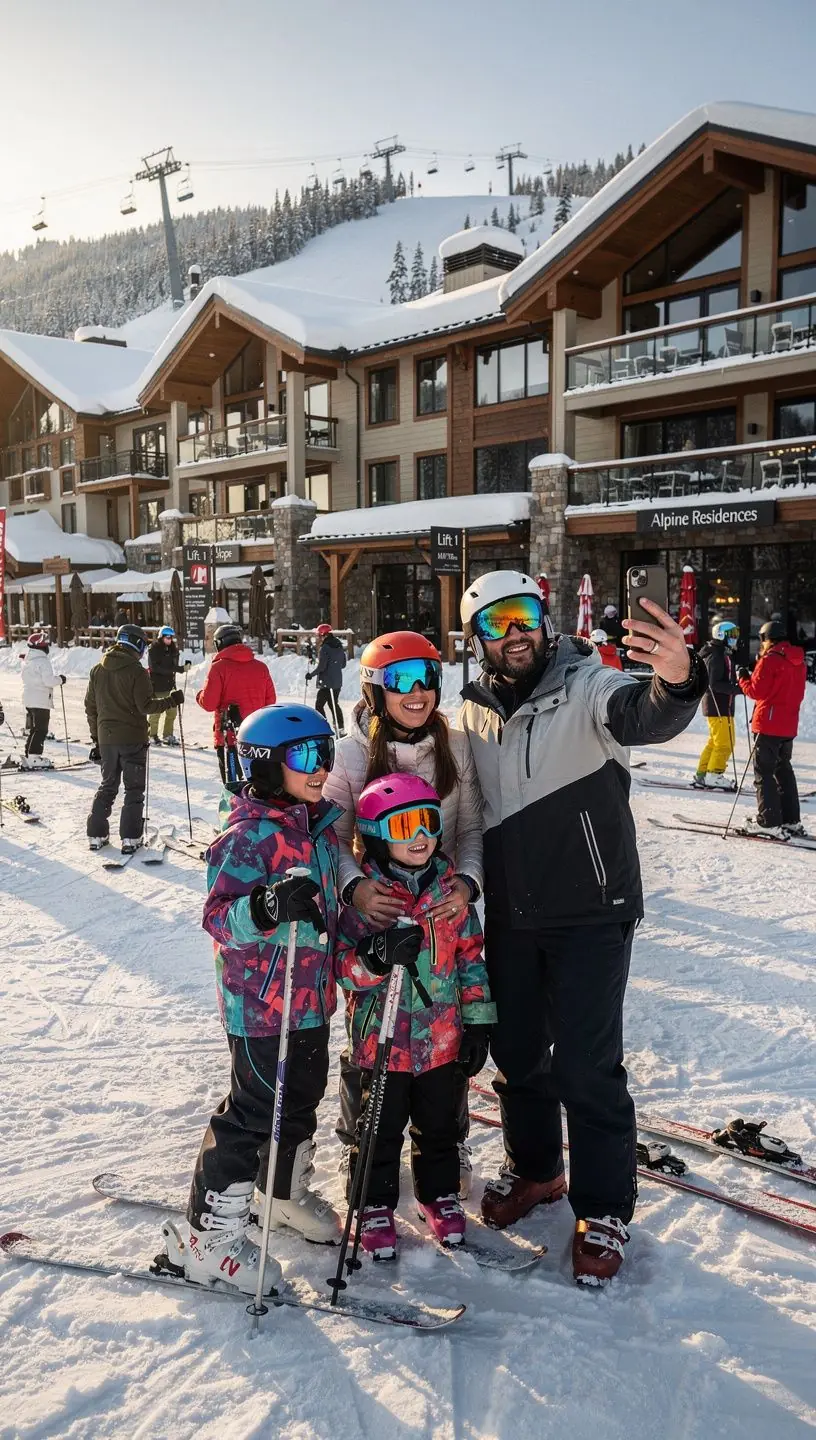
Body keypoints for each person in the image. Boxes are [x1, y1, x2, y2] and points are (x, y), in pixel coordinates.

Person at [457, 570, 707, 1284]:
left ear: (546, 620)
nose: (516, 632)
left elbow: (642, 714)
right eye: (499, 621)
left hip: (592, 912)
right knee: (518, 1054)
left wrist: (678, 680)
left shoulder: (587, 683)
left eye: (527, 615)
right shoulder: (472, 710)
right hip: (511, 914)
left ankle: (605, 1208)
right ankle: (537, 1171)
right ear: (478, 637)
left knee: (587, 1067)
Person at [157, 704, 349, 1295]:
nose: (322, 768)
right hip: (263, 1006)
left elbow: (331, 915)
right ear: (265, 765)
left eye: (326, 753)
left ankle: (279, 1193)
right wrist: (264, 907)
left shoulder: (315, 828)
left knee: (302, 1095)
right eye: (306, 757)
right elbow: (217, 918)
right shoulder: (246, 837)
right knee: (253, 1111)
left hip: (311, 997)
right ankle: (203, 1238)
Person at [322, 630, 484, 1196]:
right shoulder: (349, 753)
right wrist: (357, 889)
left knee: (442, 1035)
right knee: (372, 1038)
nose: (417, 694)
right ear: (375, 690)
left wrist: (465, 881)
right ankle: (360, 1146)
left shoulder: (456, 748)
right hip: (380, 910)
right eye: (401, 682)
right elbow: (334, 838)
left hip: (438, 905)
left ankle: (446, 1142)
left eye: (427, 679)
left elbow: (467, 828)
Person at [336, 774, 495, 1258]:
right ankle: (373, 1203)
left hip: (441, 1040)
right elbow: (344, 970)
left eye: (427, 822)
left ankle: (438, 1193)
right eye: (404, 825)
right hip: (380, 1043)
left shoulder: (450, 895)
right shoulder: (369, 902)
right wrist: (376, 957)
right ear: (377, 833)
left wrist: (479, 1022)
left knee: (440, 1124)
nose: (420, 835)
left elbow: (471, 958)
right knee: (378, 1126)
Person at [84, 625, 183, 855]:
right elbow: (146, 706)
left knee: (108, 785)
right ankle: (130, 836)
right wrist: (172, 700)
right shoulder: (137, 672)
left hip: (107, 740)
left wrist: (96, 739)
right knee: (133, 789)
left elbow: (91, 709)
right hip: (133, 739)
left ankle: (96, 833)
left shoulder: (98, 670)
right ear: (136, 644)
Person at [738, 619, 807, 838]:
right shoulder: (798, 661)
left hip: (768, 725)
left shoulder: (770, 660)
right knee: (783, 771)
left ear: (767, 639)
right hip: (788, 725)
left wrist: (743, 678)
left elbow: (756, 692)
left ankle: (768, 821)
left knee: (764, 773)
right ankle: (790, 820)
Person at [196, 624, 276, 783]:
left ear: (220, 644)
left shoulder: (219, 668)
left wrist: (200, 696)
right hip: (258, 735)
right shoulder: (261, 667)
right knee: (258, 783)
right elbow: (271, 702)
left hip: (230, 737)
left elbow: (209, 703)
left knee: (233, 785)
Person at [695, 620, 740, 789]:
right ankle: (714, 774)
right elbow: (713, 684)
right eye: (732, 635)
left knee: (715, 742)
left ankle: (703, 774)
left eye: (736, 634)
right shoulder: (716, 655)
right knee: (725, 743)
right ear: (721, 636)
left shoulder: (721, 653)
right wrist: (736, 689)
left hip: (719, 705)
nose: (735, 638)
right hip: (718, 705)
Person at [20, 632, 65, 770]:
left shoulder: (28, 660)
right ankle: (34, 756)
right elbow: (48, 681)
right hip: (40, 700)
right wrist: (61, 679)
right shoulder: (42, 661)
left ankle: (29, 753)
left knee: (35, 728)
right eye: (46, 644)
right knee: (41, 729)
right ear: (42, 646)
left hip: (29, 699)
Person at [147, 626, 190, 746]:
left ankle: (167, 734)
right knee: (156, 711)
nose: (170, 639)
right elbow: (154, 667)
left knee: (172, 712)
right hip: (158, 685)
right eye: (167, 637)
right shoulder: (154, 649)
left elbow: (173, 666)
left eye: (171, 637)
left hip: (170, 685)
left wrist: (182, 668)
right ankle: (152, 735)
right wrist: (174, 670)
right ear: (161, 637)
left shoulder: (172, 650)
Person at [306, 623, 347, 736]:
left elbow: (322, 667)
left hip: (327, 683)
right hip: (337, 682)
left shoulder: (325, 648)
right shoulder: (339, 646)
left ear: (323, 635)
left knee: (319, 705)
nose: (318, 638)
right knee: (334, 704)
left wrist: (311, 675)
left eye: (319, 635)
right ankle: (340, 728)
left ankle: (323, 728)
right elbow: (343, 664)